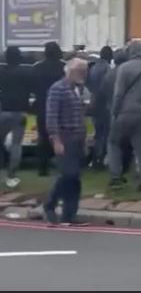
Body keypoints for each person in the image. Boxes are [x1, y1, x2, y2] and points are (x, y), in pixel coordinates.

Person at [42, 58, 89, 226]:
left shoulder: (80, 89)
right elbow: (51, 116)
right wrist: (56, 140)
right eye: (80, 70)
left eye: (85, 71)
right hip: (64, 136)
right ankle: (49, 205)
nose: (84, 74)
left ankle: (69, 215)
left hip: (78, 138)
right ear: (69, 71)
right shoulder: (57, 89)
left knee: (75, 178)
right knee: (67, 174)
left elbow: (82, 114)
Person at [107, 41, 141, 191]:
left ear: (129, 52)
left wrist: (115, 111)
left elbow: (118, 94)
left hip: (124, 111)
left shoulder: (124, 68)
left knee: (113, 142)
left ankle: (116, 176)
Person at [0, 46, 34, 188]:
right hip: (20, 113)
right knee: (16, 144)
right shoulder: (26, 72)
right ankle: (12, 173)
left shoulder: (1, 72)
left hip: (3, 111)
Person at [33, 41, 66, 176]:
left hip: (42, 105)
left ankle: (42, 167)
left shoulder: (37, 68)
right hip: (61, 106)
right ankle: (62, 165)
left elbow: (34, 87)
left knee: (43, 137)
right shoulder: (64, 67)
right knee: (62, 136)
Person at [86, 46, 113, 169]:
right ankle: (100, 159)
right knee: (104, 133)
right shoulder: (107, 69)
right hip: (104, 104)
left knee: (97, 133)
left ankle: (95, 159)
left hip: (94, 102)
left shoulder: (94, 68)